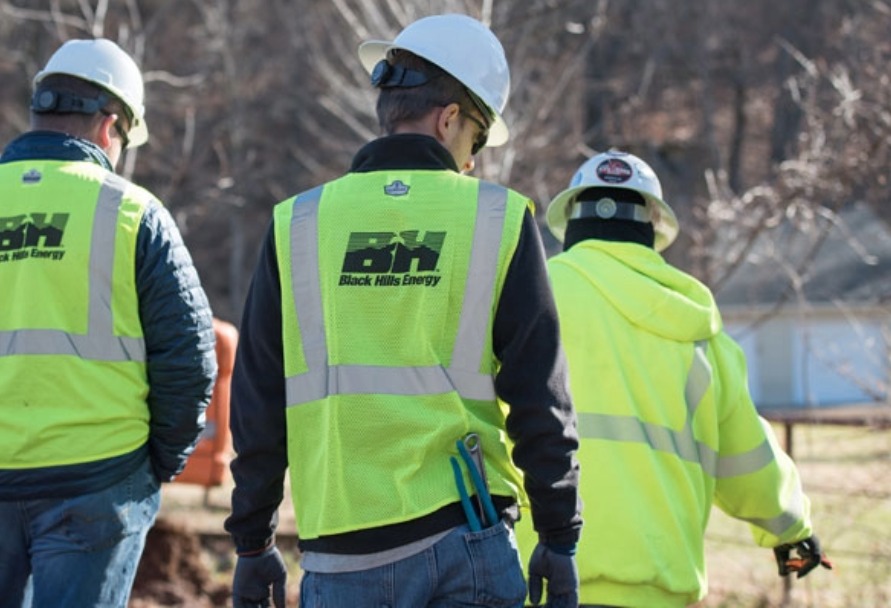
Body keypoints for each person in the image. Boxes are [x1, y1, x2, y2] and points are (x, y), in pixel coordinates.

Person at [225, 13, 582, 608]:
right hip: (465, 539)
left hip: (338, 555)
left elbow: (259, 399)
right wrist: (558, 533)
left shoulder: (298, 223)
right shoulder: (498, 217)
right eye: (478, 140)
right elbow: (538, 395)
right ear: (449, 120)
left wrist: (252, 539)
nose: (473, 162)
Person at [514, 149, 832, 607]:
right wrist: (793, 530)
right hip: (658, 589)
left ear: (570, 224)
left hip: (540, 578)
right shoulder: (698, 330)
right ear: (654, 231)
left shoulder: (528, 299)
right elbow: (749, 460)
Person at [0, 38, 217, 608]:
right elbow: (191, 360)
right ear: (109, 126)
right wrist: (152, 468)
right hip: (97, 485)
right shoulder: (132, 213)